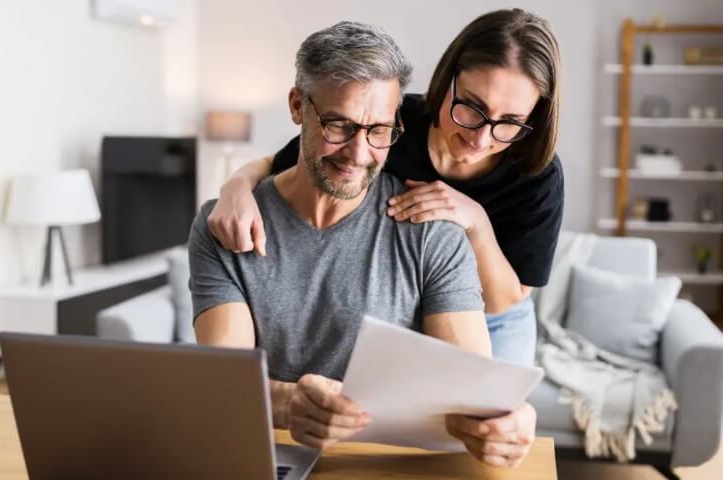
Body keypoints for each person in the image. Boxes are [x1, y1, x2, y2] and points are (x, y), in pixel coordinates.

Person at [190, 21, 536, 469]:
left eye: (379, 131)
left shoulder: (433, 231)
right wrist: (287, 403)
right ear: (297, 106)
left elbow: (474, 393)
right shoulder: (228, 225)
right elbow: (223, 382)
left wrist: (515, 418)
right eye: (340, 125)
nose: (358, 154)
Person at [208, 9, 564, 367]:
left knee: (492, 417)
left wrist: (476, 221)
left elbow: (505, 299)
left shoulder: (536, 172)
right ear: (447, 80)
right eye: (471, 107)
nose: (481, 137)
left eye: (510, 122)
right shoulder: (385, 122)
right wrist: (236, 187)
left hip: (496, 319)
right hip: (418, 302)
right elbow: (283, 163)